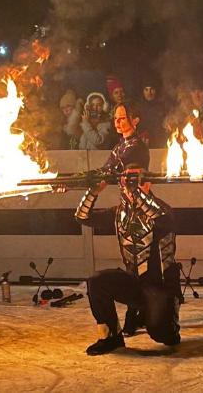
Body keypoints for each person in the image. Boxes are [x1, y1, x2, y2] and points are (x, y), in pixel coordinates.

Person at [74, 104, 180, 356]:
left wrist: (134, 190)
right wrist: (93, 189)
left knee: (162, 335)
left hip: (158, 288)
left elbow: (151, 211)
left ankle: (167, 317)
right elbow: (82, 216)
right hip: (135, 284)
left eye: (133, 177)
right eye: (125, 178)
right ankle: (111, 337)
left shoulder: (163, 211)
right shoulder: (119, 212)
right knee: (97, 282)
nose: (127, 182)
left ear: (146, 179)